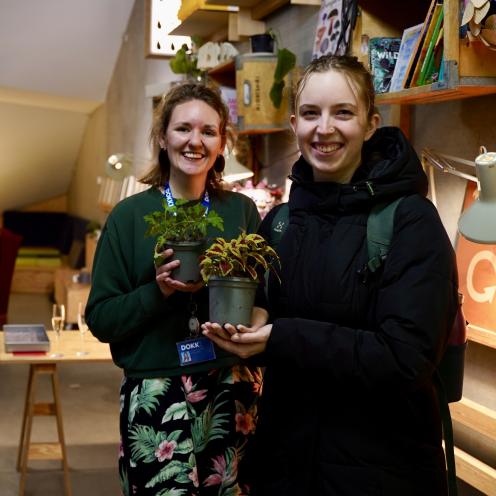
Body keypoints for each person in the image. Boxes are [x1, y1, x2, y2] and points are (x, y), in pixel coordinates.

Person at [202, 55, 458, 495]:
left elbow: (405, 359)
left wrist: (280, 336)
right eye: (310, 113)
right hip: (286, 468)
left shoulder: (410, 222)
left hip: (384, 474)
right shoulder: (281, 223)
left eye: (343, 112)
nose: (324, 129)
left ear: (371, 123)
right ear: (293, 124)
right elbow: (269, 322)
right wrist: (251, 329)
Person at [86, 82, 267, 495]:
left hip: (229, 386)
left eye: (208, 131)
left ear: (222, 143)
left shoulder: (239, 211)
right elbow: (100, 318)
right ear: (163, 138)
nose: (195, 141)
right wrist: (159, 291)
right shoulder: (130, 217)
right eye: (183, 128)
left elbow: (261, 297)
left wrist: (255, 320)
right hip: (156, 393)